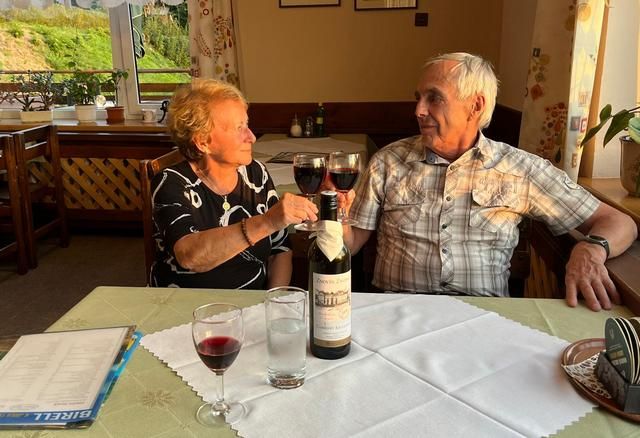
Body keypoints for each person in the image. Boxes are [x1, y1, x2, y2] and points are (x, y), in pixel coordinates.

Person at [340, 52, 637, 312]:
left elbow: (620, 222)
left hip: (484, 317)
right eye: (418, 97)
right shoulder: (388, 162)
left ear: (475, 105)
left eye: (434, 98)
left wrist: (590, 250)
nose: (418, 109)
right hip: (398, 313)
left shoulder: (521, 169)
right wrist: (334, 219)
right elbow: (351, 244)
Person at [150, 79, 317, 289]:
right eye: (239, 128)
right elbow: (189, 255)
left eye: (247, 124)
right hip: (189, 304)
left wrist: (273, 299)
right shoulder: (172, 182)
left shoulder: (256, 174)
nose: (252, 137)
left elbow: (279, 250)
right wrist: (266, 222)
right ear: (202, 142)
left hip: (254, 304)